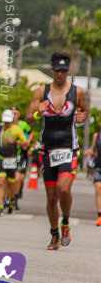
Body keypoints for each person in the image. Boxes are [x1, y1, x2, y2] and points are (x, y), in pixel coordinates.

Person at [27, 52, 88, 249]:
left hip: (69, 147)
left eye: (63, 70)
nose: (60, 74)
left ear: (68, 71)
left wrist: (82, 117)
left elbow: (84, 111)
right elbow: (29, 118)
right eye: (57, 70)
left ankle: (66, 223)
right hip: (48, 149)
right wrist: (39, 112)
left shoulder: (77, 92)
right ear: (52, 70)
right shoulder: (41, 92)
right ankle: (54, 233)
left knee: (64, 188)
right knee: (51, 196)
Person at [0, 109, 28, 216]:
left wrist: (14, 141)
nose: (7, 124)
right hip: (1, 158)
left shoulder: (17, 129)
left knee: (11, 184)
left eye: (8, 122)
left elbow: (25, 144)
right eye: (5, 122)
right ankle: (0, 206)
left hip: (12, 159)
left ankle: (12, 201)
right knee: (1, 182)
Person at [87, 126, 101, 226]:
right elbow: (94, 150)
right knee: (97, 188)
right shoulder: (96, 136)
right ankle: (100, 215)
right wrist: (88, 152)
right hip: (98, 165)